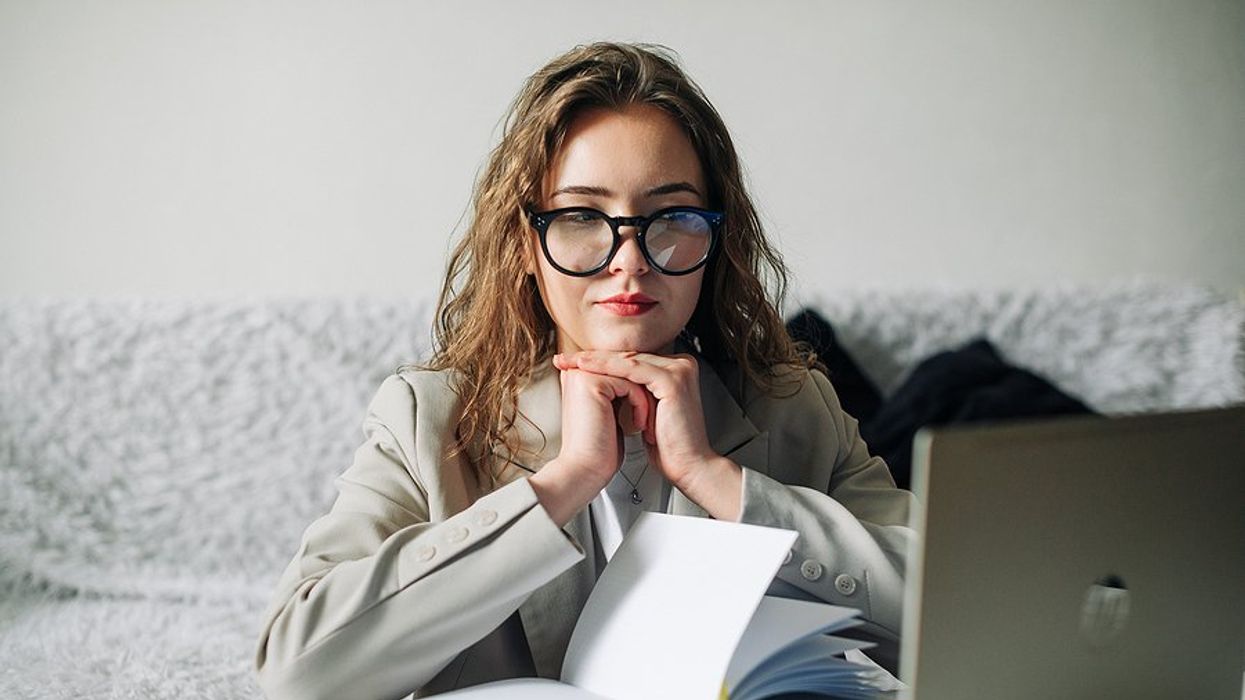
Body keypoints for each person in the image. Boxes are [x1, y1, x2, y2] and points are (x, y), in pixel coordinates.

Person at [253, 41, 915, 700]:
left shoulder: (795, 409)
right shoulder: (427, 418)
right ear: (524, 245)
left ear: (715, 241)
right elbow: (297, 672)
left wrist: (721, 482)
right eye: (579, 216)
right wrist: (562, 485)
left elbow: (957, 615)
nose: (629, 259)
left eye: (672, 216)